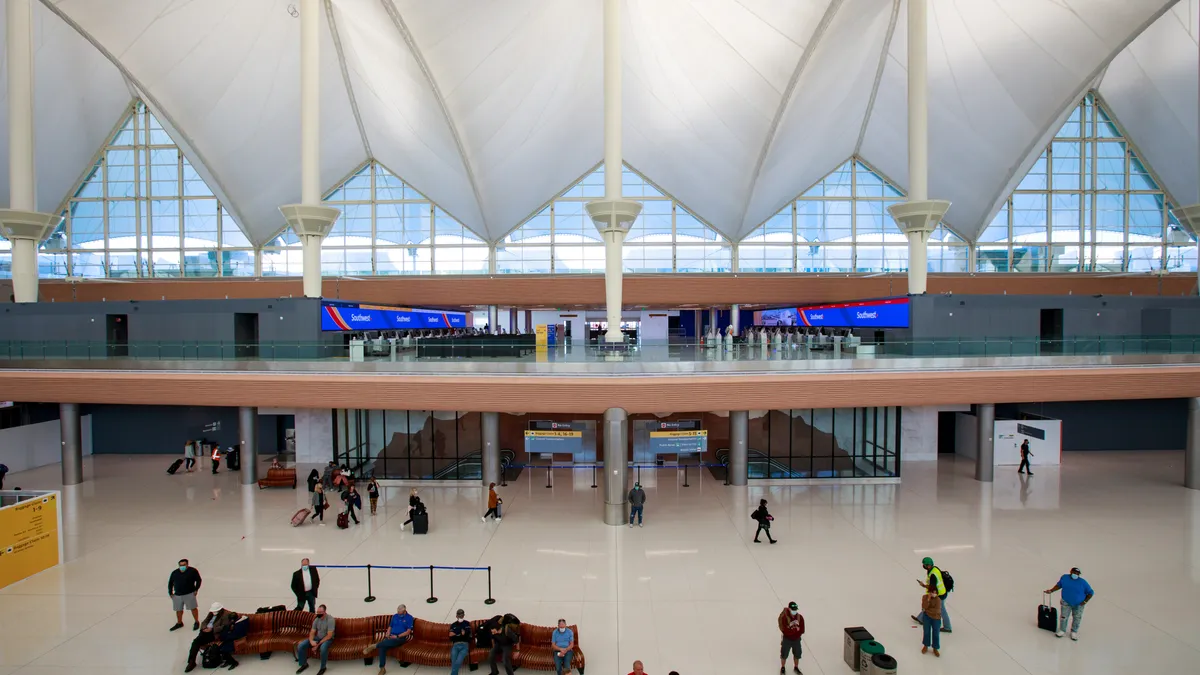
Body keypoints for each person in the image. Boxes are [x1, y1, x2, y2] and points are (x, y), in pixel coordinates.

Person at [363, 604, 414, 674]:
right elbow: (390, 626)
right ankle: (382, 668)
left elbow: (408, 632)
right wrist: (387, 633)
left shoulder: (409, 618)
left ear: (405, 611)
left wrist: (398, 636)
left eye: (400, 613)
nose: (399, 615)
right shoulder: (395, 616)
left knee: (385, 643)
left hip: (400, 638)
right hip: (391, 636)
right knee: (382, 647)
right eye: (398, 613)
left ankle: (375, 646)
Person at [1045, 566, 1094, 640]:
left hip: (1079, 604)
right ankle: (1062, 630)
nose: (1075, 574)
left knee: (1077, 618)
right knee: (1064, 617)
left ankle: (1074, 632)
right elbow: (1059, 585)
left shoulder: (1083, 582)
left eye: (1077, 573)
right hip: (1066, 601)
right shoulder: (1065, 578)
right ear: (1071, 572)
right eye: (1074, 573)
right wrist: (1051, 590)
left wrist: (1085, 601)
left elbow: (1090, 592)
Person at [911, 556, 952, 633]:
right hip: (941, 592)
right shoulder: (935, 569)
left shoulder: (933, 575)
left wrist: (924, 586)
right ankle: (920, 618)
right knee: (928, 606)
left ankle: (947, 627)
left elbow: (932, 587)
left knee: (942, 610)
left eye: (925, 565)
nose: (925, 566)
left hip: (939, 595)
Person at [183, 601, 227, 672]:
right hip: (205, 631)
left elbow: (224, 626)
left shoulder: (225, 615)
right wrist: (204, 628)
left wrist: (211, 629)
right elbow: (204, 622)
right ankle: (191, 662)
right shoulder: (211, 614)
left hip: (213, 633)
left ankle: (191, 662)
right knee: (196, 642)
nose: (213, 612)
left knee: (197, 641)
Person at [296, 604, 335, 674]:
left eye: (320, 612)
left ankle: (323, 667)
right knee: (301, 645)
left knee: (323, 649)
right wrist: (311, 641)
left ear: (325, 612)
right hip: (318, 637)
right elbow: (312, 631)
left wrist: (317, 645)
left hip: (327, 639)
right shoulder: (317, 619)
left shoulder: (330, 620)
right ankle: (304, 664)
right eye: (318, 612)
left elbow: (329, 635)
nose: (318, 614)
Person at [169, 558, 203, 630]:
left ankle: (196, 621)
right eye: (180, 565)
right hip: (177, 594)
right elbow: (170, 582)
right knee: (178, 610)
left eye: (184, 565)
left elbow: (198, 580)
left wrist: (196, 589)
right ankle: (179, 623)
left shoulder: (193, 571)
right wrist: (170, 592)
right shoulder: (175, 573)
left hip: (189, 593)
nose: (182, 566)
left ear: (187, 565)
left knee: (193, 608)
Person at [778, 601, 804, 674]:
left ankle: (796, 667)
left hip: (796, 640)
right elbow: (785, 630)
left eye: (795, 610)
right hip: (787, 639)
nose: (794, 611)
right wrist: (794, 631)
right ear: (789, 609)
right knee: (784, 654)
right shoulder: (785, 617)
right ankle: (783, 667)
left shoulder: (800, 617)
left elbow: (802, 629)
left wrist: (796, 633)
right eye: (793, 610)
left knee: (797, 654)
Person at [449, 608, 473, 675]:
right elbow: (451, 637)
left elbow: (470, 637)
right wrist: (461, 634)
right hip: (455, 645)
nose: (461, 617)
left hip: (464, 645)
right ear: (456, 616)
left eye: (462, 616)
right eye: (459, 616)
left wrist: (456, 635)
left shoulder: (467, 624)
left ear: (464, 615)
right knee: (454, 661)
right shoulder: (453, 625)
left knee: (458, 662)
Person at [920, 583, 942, 657]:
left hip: (936, 618)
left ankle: (935, 648)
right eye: (932, 592)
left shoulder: (938, 600)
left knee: (936, 633)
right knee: (926, 631)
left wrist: (927, 610)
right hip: (927, 617)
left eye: (935, 593)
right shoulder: (925, 597)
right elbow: (923, 607)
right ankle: (926, 645)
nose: (933, 594)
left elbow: (936, 611)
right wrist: (928, 600)